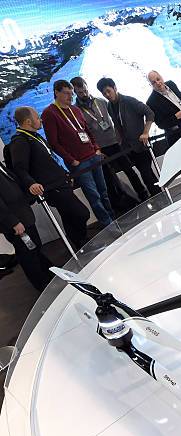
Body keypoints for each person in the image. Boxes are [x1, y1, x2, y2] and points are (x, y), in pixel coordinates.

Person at [9, 106, 89, 249]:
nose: (40, 120)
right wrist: (31, 183)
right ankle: (81, 241)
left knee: (69, 216)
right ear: (28, 122)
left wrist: (64, 174)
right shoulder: (20, 141)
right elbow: (19, 167)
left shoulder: (35, 136)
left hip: (59, 182)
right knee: (81, 213)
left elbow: (49, 160)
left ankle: (80, 244)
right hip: (52, 187)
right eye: (37, 118)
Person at [42, 79, 114, 227]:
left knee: (103, 190)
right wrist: (71, 160)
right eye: (67, 93)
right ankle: (107, 223)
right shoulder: (50, 113)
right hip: (78, 163)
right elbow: (54, 143)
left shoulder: (75, 110)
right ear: (56, 93)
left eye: (71, 93)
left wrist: (96, 148)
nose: (71, 97)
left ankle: (113, 217)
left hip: (93, 155)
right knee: (93, 195)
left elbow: (87, 131)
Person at [70, 76, 148, 204]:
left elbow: (116, 120)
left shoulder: (101, 101)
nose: (84, 93)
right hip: (100, 149)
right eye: (80, 92)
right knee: (109, 179)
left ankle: (143, 193)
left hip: (115, 142)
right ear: (75, 93)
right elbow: (83, 132)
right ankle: (122, 203)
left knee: (129, 170)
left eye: (85, 90)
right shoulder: (76, 111)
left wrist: (121, 138)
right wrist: (96, 149)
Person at [97, 77, 162, 197]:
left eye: (108, 91)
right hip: (130, 148)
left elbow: (149, 113)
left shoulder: (128, 101)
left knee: (146, 175)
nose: (107, 95)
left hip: (141, 145)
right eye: (104, 93)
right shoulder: (110, 106)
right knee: (148, 175)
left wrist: (146, 132)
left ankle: (159, 199)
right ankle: (161, 196)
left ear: (115, 88)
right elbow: (118, 125)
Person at [0, 160, 53, 291]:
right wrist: (12, 222)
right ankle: (41, 284)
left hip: (23, 215)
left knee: (33, 246)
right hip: (14, 221)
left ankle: (48, 274)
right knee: (27, 253)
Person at [145, 71, 181, 148]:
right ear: (150, 85)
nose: (158, 83)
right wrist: (176, 117)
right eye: (154, 83)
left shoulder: (171, 84)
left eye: (158, 79)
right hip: (178, 137)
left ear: (161, 77)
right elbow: (161, 124)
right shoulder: (151, 102)